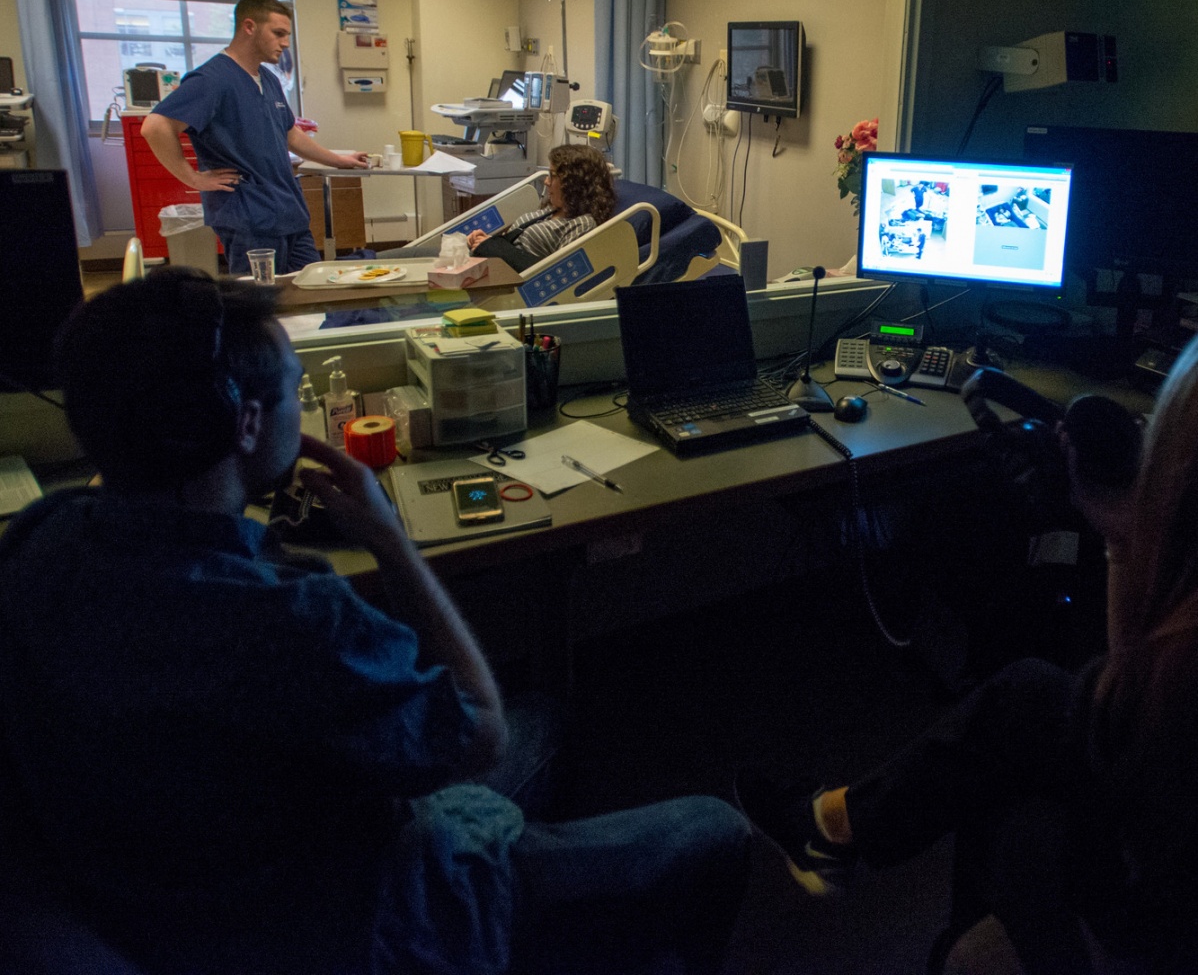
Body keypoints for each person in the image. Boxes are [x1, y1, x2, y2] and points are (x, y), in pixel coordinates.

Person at [0, 267, 750, 975]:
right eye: (298, 390)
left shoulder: (38, 542)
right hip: (361, 918)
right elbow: (480, 731)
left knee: (545, 718)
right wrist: (390, 540)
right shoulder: (292, 618)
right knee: (714, 827)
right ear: (246, 420)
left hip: (157, 909)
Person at [737, 337, 1198, 973]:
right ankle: (833, 828)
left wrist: (1120, 531)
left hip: (1164, 910)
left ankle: (834, 831)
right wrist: (1119, 528)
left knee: (1012, 758)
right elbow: (1125, 701)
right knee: (1024, 699)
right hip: (1154, 809)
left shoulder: (1181, 666)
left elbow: (1126, 698)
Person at [141, 0, 369, 275]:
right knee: (261, 302)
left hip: (288, 213)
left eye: (287, 35)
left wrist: (339, 160)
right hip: (249, 217)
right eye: (278, 33)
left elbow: (290, 134)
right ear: (249, 27)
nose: (285, 43)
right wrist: (192, 178)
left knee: (313, 288)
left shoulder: (269, 80)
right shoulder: (212, 80)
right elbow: (154, 126)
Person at [464, 143, 616, 272]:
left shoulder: (582, 224)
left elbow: (557, 273)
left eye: (553, 175)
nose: (546, 181)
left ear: (573, 183)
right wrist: (487, 242)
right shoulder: (551, 210)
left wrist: (497, 250)